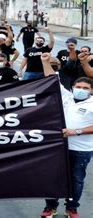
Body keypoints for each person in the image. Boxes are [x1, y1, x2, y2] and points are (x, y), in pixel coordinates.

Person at [40, 53, 93, 218]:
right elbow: (52, 79)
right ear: (72, 88)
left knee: (76, 180)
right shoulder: (67, 98)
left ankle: (72, 208)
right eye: (78, 87)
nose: (81, 90)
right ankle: (50, 207)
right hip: (59, 146)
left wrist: (75, 131)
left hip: (81, 149)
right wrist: (45, 61)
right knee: (54, 178)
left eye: (85, 88)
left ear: (91, 90)